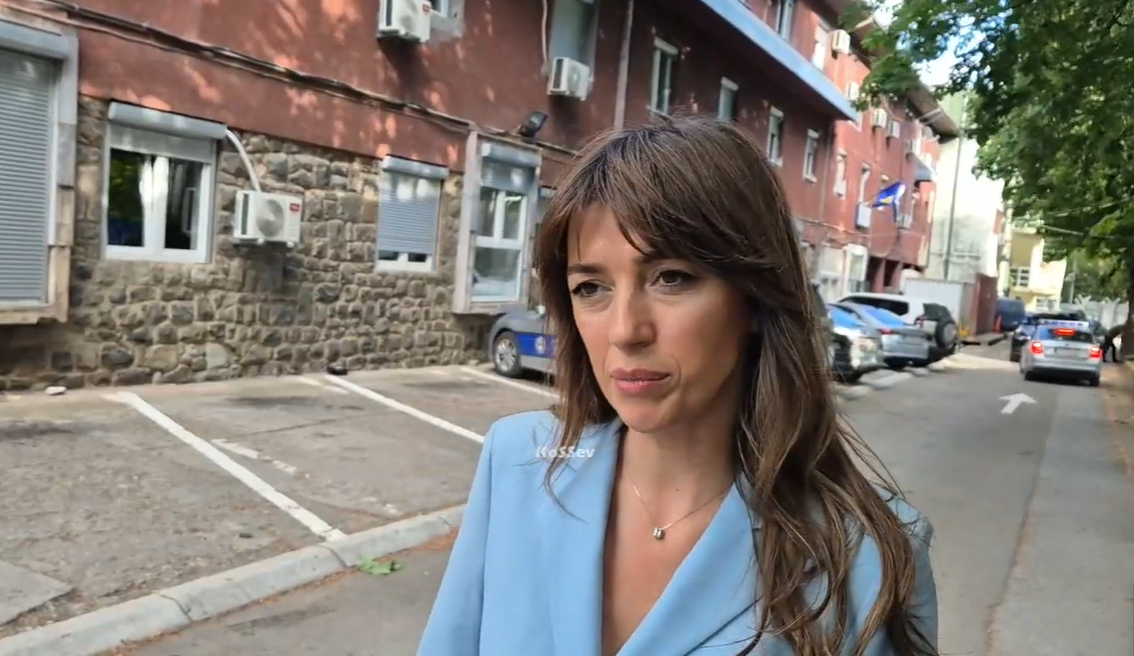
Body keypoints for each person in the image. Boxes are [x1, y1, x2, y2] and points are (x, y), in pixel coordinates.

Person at [416, 116, 938, 656]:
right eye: (590, 287)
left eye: (671, 278)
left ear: (755, 298)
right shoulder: (516, 462)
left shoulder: (871, 559)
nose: (625, 331)